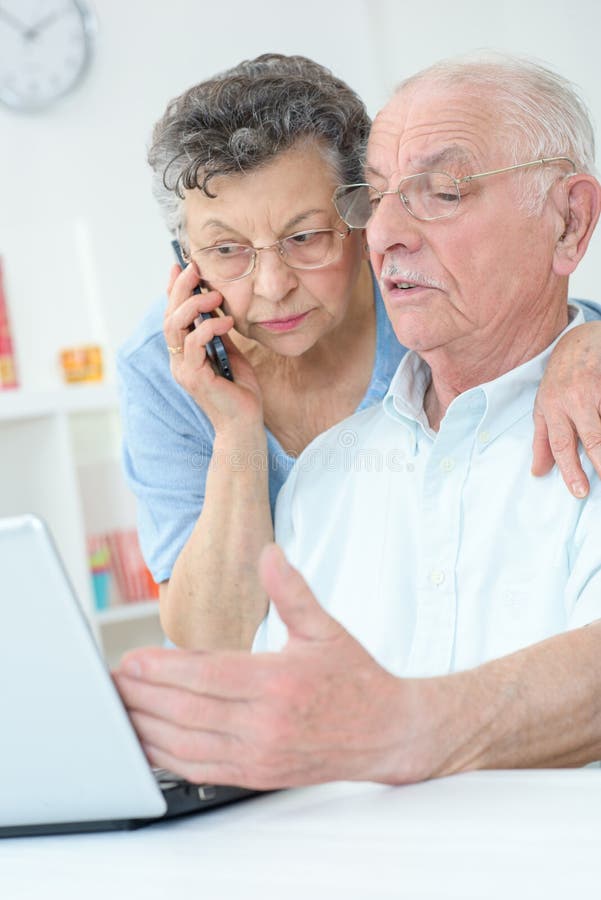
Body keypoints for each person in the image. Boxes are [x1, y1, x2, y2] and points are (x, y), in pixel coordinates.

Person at [115, 53, 601, 789]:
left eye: (442, 193)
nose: (272, 286)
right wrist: (237, 434)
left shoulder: (562, 390)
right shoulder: (305, 468)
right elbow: (228, 648)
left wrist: (582, 338)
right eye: (226, 252)